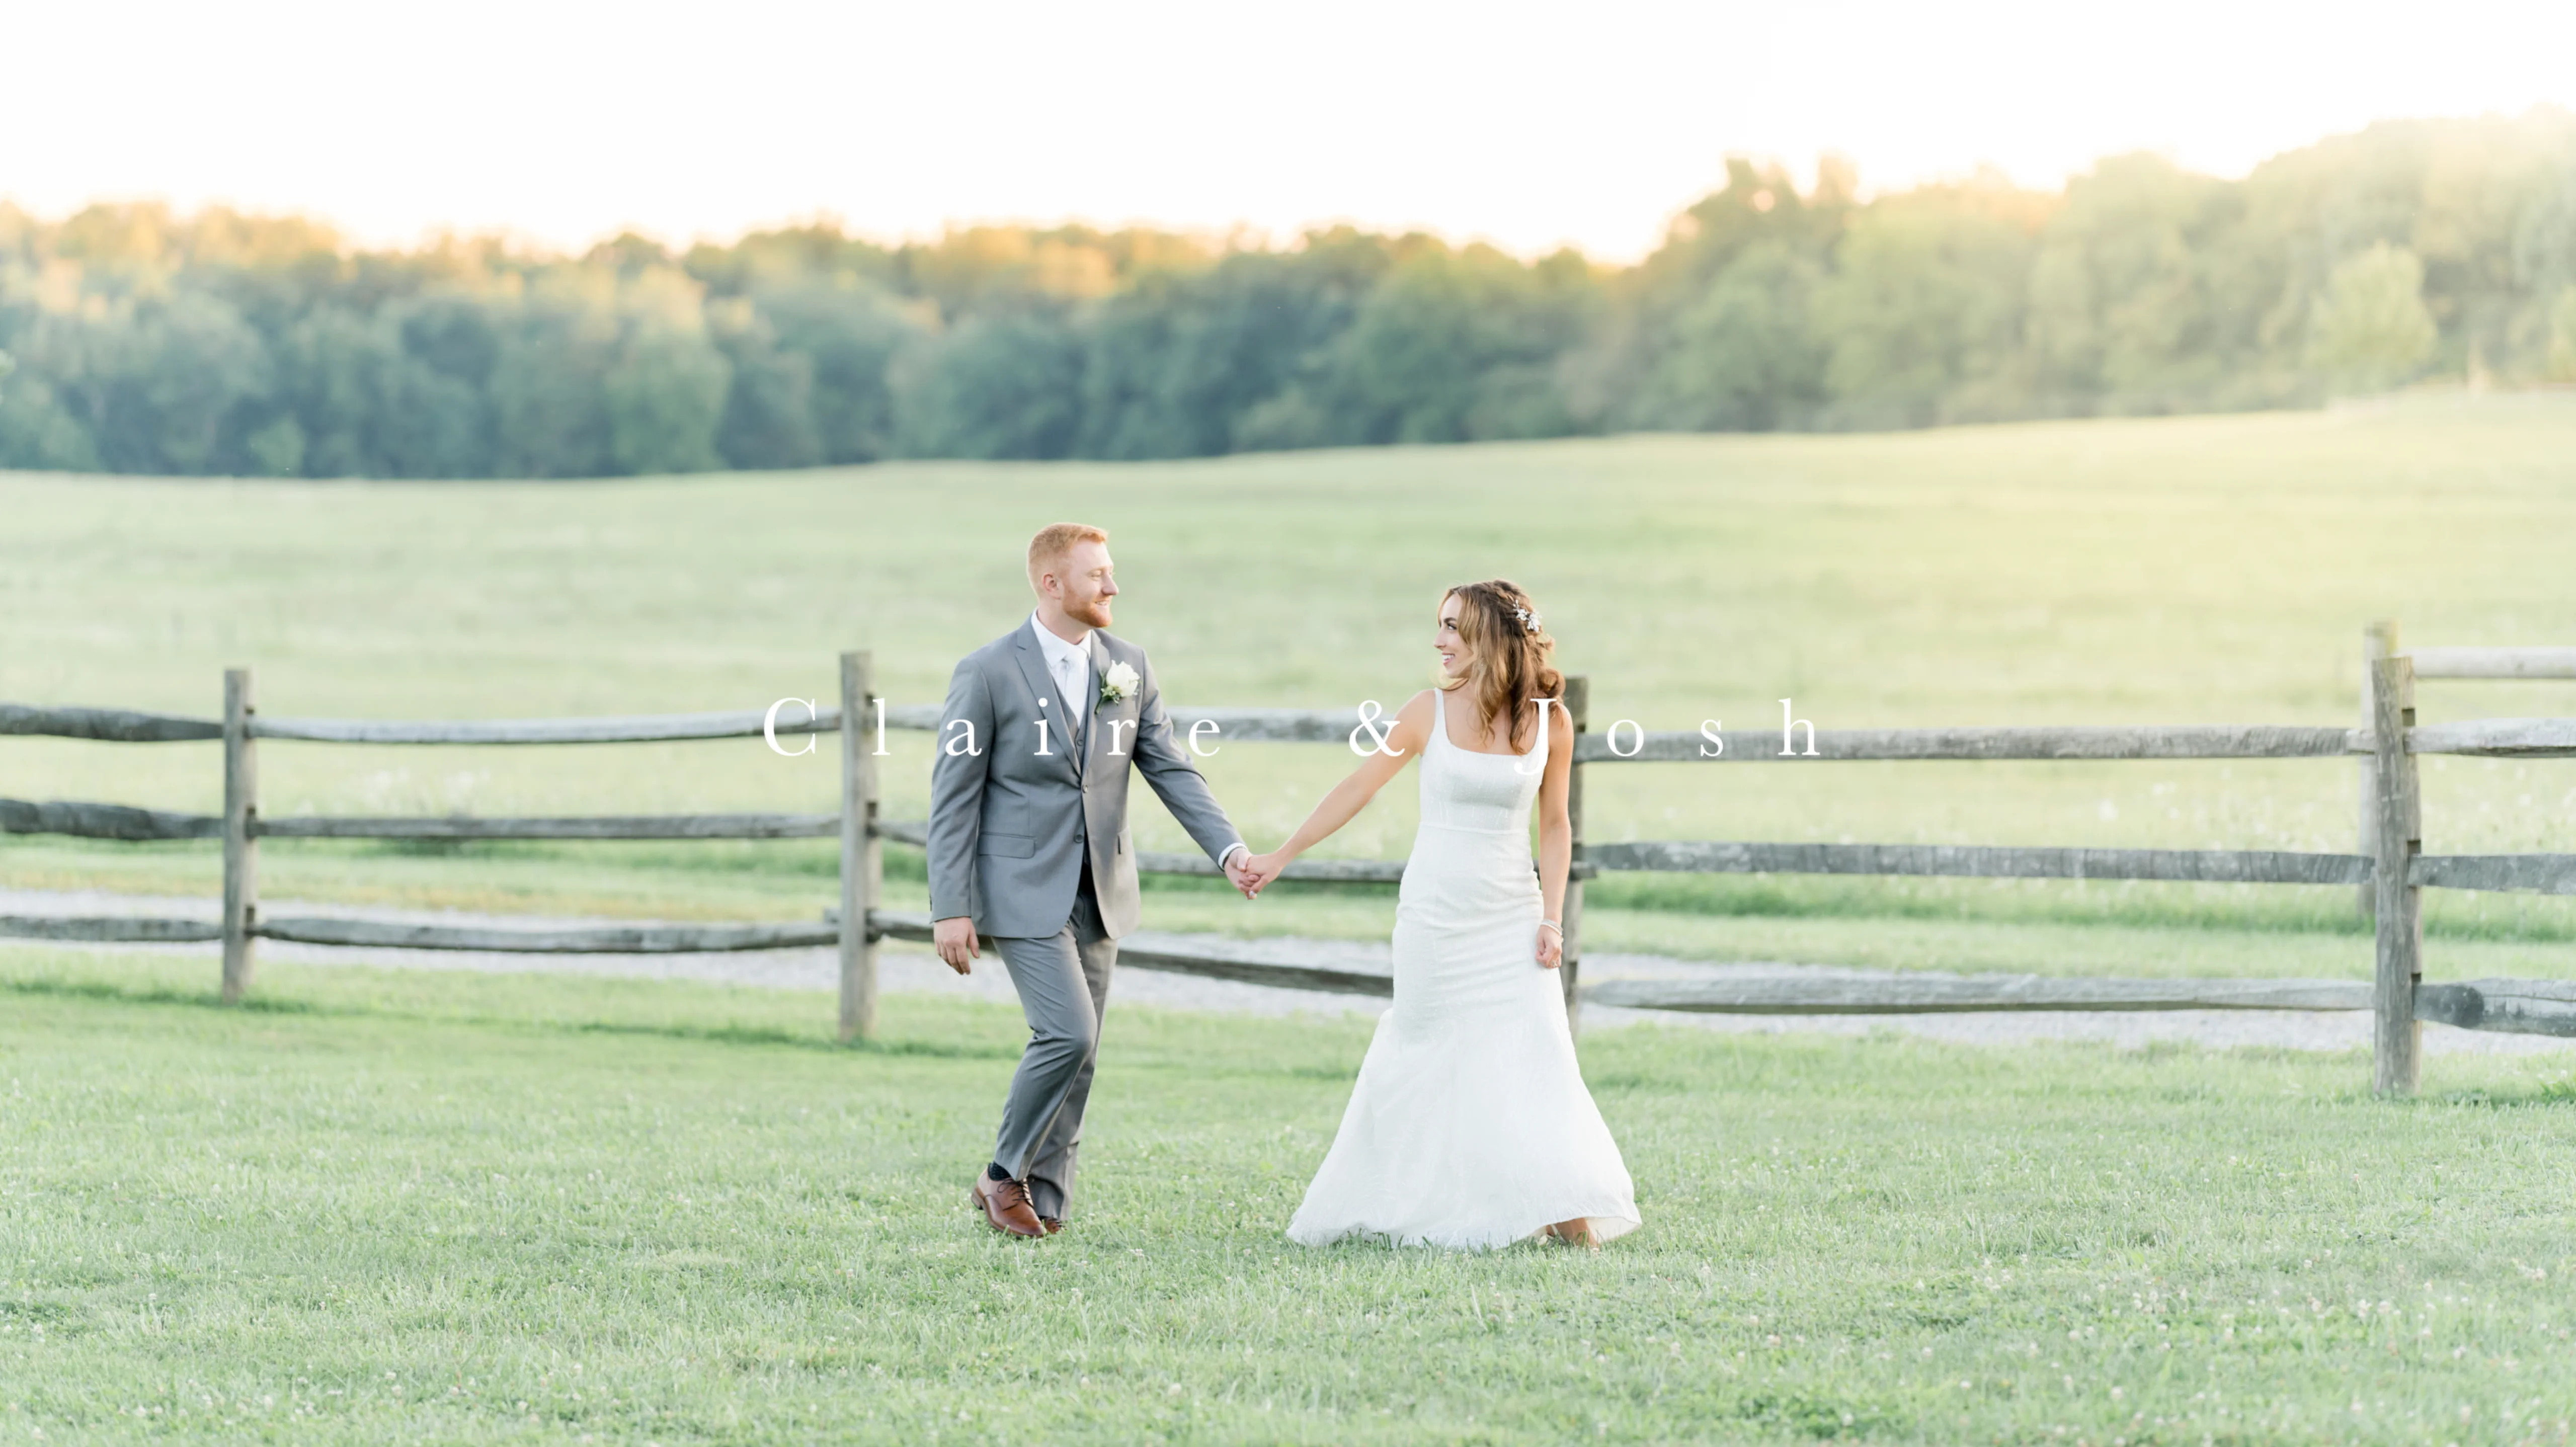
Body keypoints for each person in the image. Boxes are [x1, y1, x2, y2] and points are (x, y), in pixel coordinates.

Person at [1240, 581, 1640, 1250]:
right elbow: (1357, 788)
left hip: (1510, 915)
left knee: (1533, 1053)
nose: (1439, 640)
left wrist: (1551, 919)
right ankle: (1409, 1203)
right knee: (1424, 1051)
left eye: (1453, 626)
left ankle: (1565, 1208)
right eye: (1440, 626)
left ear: (1490, 636)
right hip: (1434, 916)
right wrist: (1283, 854)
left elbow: (1556, 826)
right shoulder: (1424, 712)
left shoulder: (1552, 723)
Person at [929, 522, 1261, 1239]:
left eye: (1111, 572)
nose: (1113, 586)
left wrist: (1228, 850)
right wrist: (951, 906)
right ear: (1052, 584)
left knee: (1083, 1056)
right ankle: (1000, 1177)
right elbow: (953, 797)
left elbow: (1170, 768)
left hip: (1101, 889)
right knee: (1068, 1033)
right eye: (1097, 575)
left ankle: (1046, 1205)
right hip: (1020, 889)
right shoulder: (986, 672)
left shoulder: (1128, 666)